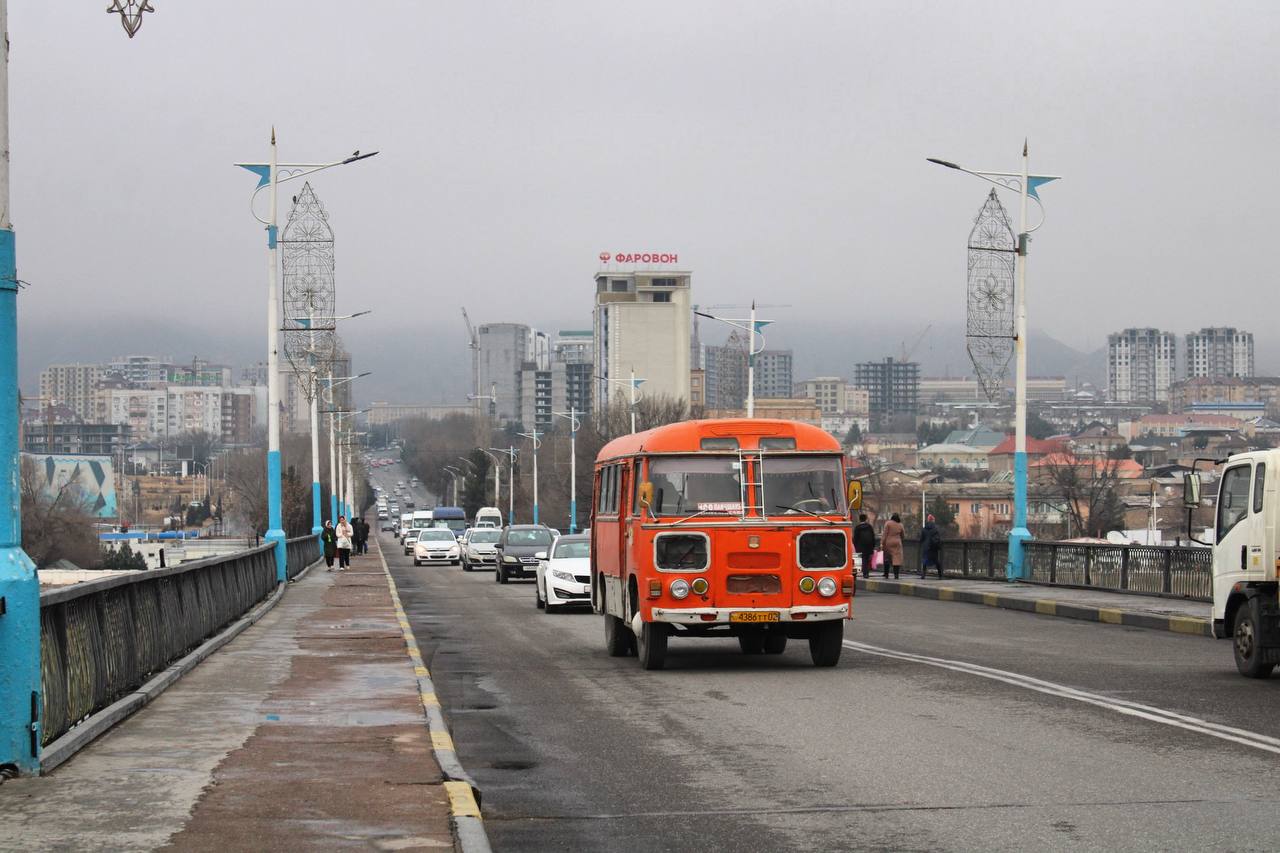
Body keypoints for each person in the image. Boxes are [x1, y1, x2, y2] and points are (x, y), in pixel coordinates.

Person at [853, 513, 877, 579]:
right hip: (868, 546)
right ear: (866, 519)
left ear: (859, 519)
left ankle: (864, 573)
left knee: (862, 559)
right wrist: (873, 545)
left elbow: (855, 538)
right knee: (867, 559)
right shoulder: (869, 526)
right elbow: (873, 536)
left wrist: (855, 546)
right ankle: (867, 573)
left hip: (860, 546)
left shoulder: (857, 527)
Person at [880, 513, 904, 580]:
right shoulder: (900, 524)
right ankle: (896, 575)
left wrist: (882, 543)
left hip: (888, 542)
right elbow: (903, 535)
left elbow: (885, 534)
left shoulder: (888, 523)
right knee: (896, 559)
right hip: (897, 542)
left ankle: (886, 574)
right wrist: (900, 539)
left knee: (887, 558)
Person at [921, 513, 943, 579]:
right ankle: (940, 575)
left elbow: (922, 538)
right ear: (933, 520)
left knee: (925, 560)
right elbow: (938, 538)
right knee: (936, 561)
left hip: (926, 547)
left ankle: (923, 575)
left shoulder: (924, 529)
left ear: (928, 520)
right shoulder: (936, 529)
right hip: (933, 547)